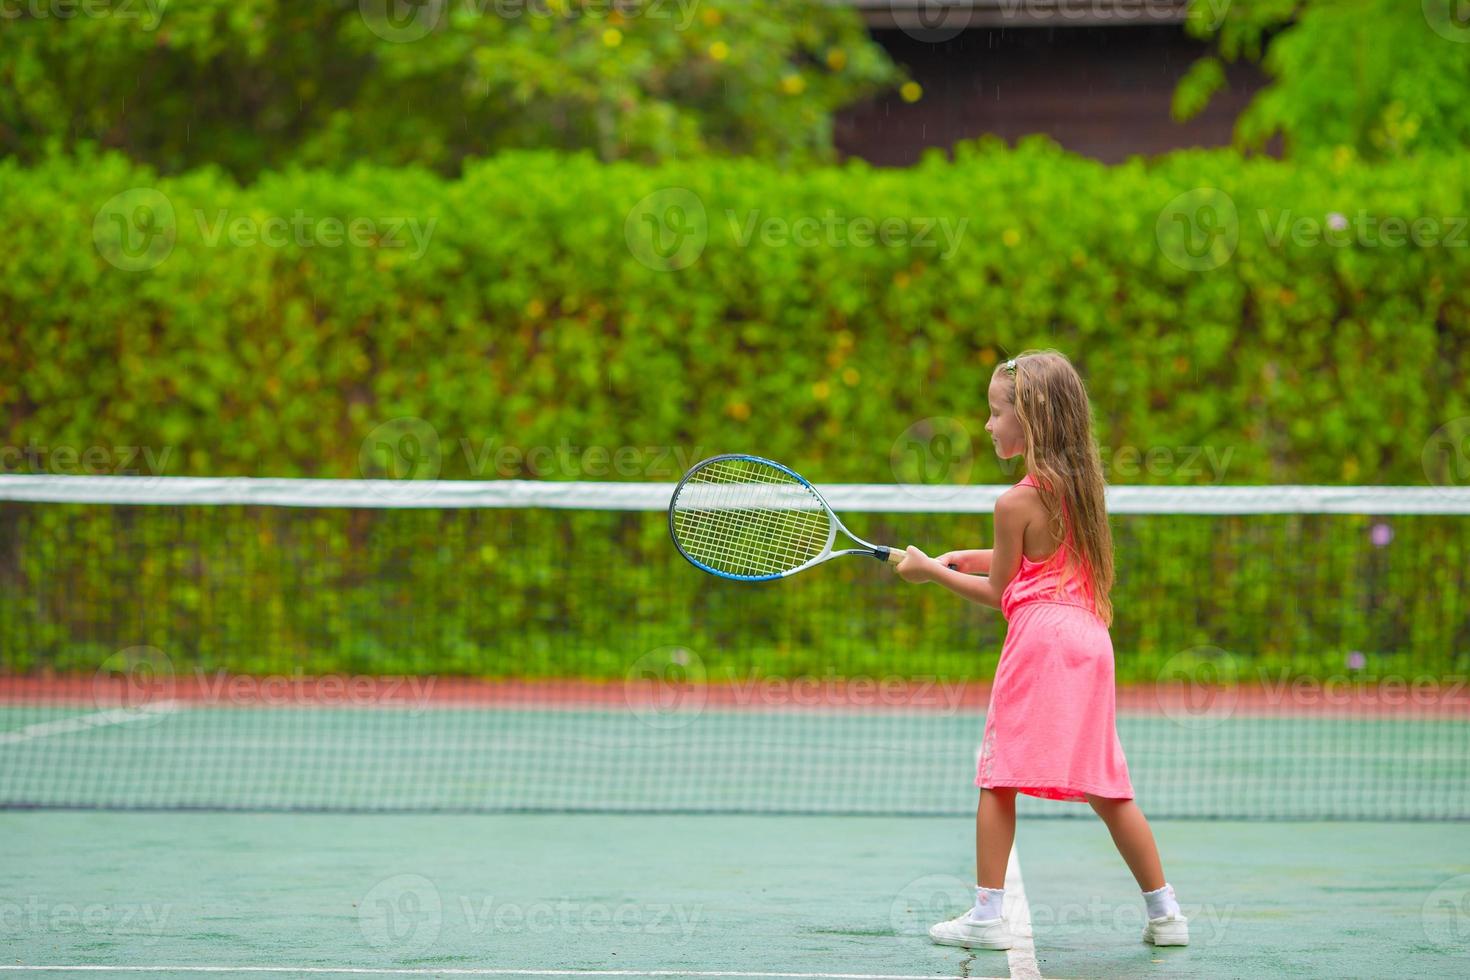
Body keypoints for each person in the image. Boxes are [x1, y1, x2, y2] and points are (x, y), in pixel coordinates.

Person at [894, 349, 1188, 950]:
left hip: (1040, 643)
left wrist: (932, 573)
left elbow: (1002, 589)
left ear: (1028, 420)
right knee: (1108, 788)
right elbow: (1037, 562)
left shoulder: (1013, 504)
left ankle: (986, 915)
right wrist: (957, 556)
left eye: (995, 412)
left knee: (998, 776)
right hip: (1090, 644)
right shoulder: (1083, 490)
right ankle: (1167, 916)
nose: (987, 424)